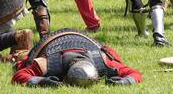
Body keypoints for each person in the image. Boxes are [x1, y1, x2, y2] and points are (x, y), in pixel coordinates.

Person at [12, 28, 142, 87]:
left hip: (83, 40)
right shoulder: (48, 63)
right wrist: (42, 81)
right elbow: (19, 75)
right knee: (23, 59)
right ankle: (18, 44)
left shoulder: (103, 60)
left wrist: (125, 81)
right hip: (51, 43)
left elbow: (134, 73)